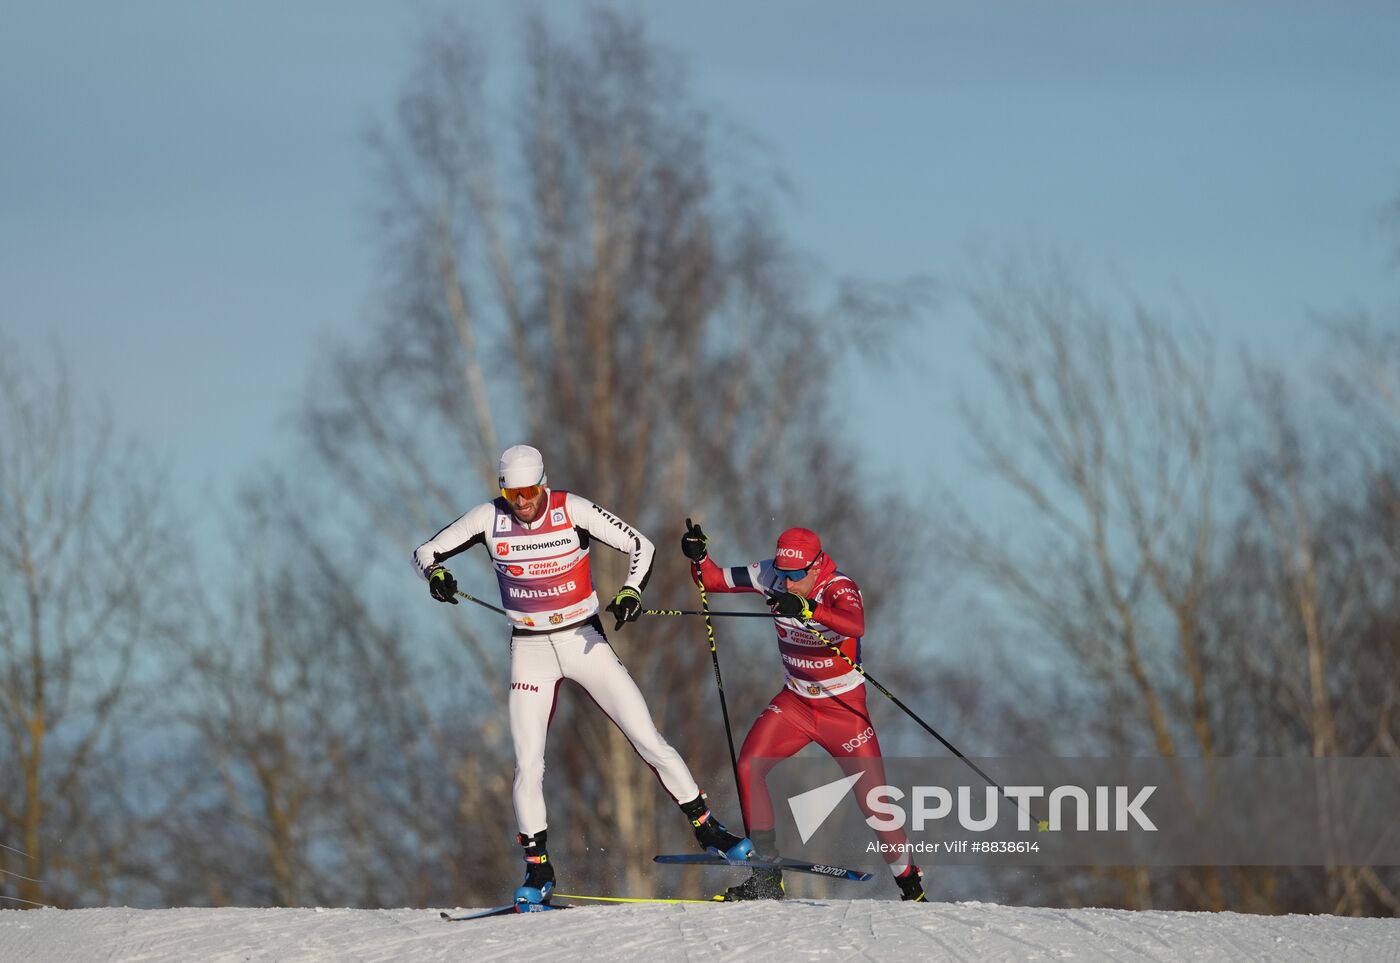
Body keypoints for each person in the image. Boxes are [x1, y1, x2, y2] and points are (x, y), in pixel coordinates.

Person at [414, 446, 752, 905]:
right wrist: (435, 575)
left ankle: (709, 830)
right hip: (530, 649)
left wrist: (631, 591)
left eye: (530, 491)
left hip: (583, 641)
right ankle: (538, 869)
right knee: (528, 763)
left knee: (647, 739)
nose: (522, 502)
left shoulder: (571, 509)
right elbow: (424, 551)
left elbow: (641, 545)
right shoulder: (487, 518)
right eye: (512, 494)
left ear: (543, 484)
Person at [682, 520, 926, 902]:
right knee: (749, 767)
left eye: (796, 576)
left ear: (816, 567)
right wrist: (699, 556)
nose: (788, 582)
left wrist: (810, 609)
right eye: (784, 574)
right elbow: (711, 580)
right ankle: (766, 875)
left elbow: (855, 624)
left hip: (842, 710)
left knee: (875, 803)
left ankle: (910, 884)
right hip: (795, 703)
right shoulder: (772, 575)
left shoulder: (839, 587)